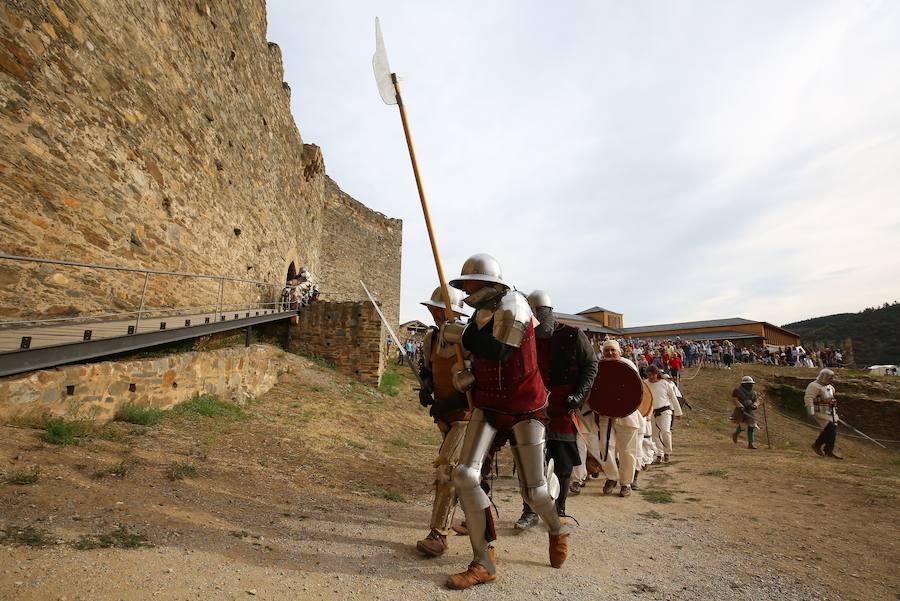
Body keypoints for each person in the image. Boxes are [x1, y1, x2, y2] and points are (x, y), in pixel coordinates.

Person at [440, 253, 570, 589]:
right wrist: (464, 371)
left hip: (525, 406)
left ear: (486, 282)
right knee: (464, 474)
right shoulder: (479, 313)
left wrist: (462, 336)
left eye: (469, 282)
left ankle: (556, 529)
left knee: (535, 492)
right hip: (489, 404)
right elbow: (470, 354)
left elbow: (499, 349)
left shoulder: (515, 305)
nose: (465, 287)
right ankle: (483, 561)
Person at [514, 290, 597, 528]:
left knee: (562, 464)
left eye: (539, 312)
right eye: (532, 313)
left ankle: (558, 508)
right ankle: (529, 510)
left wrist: (580, 395)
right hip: (532, 408)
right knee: (531, 464)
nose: (536, 316)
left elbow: (591, 364)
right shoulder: (523, 337)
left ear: (549, 311)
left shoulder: (572, 335)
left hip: (562, 409)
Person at [415, 287, 471, 557]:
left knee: (448, 471)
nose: (432, 312)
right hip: (445, 418)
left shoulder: (468, 340)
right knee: (467, 472)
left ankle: (438, 534)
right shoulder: (432, 337)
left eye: (437, 309)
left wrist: (448, 403)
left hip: (466, 418)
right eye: (432, 308)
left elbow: (475, 384)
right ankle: (475, 520)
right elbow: (428, 368)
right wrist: (426, 387)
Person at [593, 340, 644, 497]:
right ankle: (611, 477)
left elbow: (634, 388)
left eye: (613, 350)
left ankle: (626, 483)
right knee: (604, 447)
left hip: (627, 414)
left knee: (627, 450)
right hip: (606, 414)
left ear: (619, 351)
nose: (609, 353)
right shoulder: (598, 367)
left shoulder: (627, 364)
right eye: (606, 350)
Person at [645, 365, 682, 463]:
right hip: (651, 413)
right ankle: (659, 454)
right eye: (649, 375)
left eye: (652, 374)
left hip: (665, 411)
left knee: (665, 431)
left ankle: (667, 452)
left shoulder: (664, 383)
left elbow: (673, 398)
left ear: (657, 374)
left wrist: (678, 412)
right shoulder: (645, 384)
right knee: (654, 435)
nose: (651, 377)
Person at [805, 368, 842, 459]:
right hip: (819, 412)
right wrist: (811, 412)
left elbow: (830, 398)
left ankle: (825, 448)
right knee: (830, 430)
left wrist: (833, 403)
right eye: (830, 378)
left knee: (831, 431)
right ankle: (823, 448)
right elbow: (809, 398)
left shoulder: (830, 387)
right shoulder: (813, 386)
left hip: (829, 412)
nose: (831, 380)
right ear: (824, 377)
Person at [731, 375, 759, 449]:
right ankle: (736, 434)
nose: (750, 385)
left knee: (751, 427)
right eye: (749, 384)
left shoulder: (753, 392)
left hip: (749, 411)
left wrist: (755, 405)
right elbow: (735, 399)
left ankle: (750, 444)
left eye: (751, 384)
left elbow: (756, 400)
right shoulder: (737, 390)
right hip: (741, 411)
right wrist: (740, 406)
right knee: (742, 426)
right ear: (744, 384)